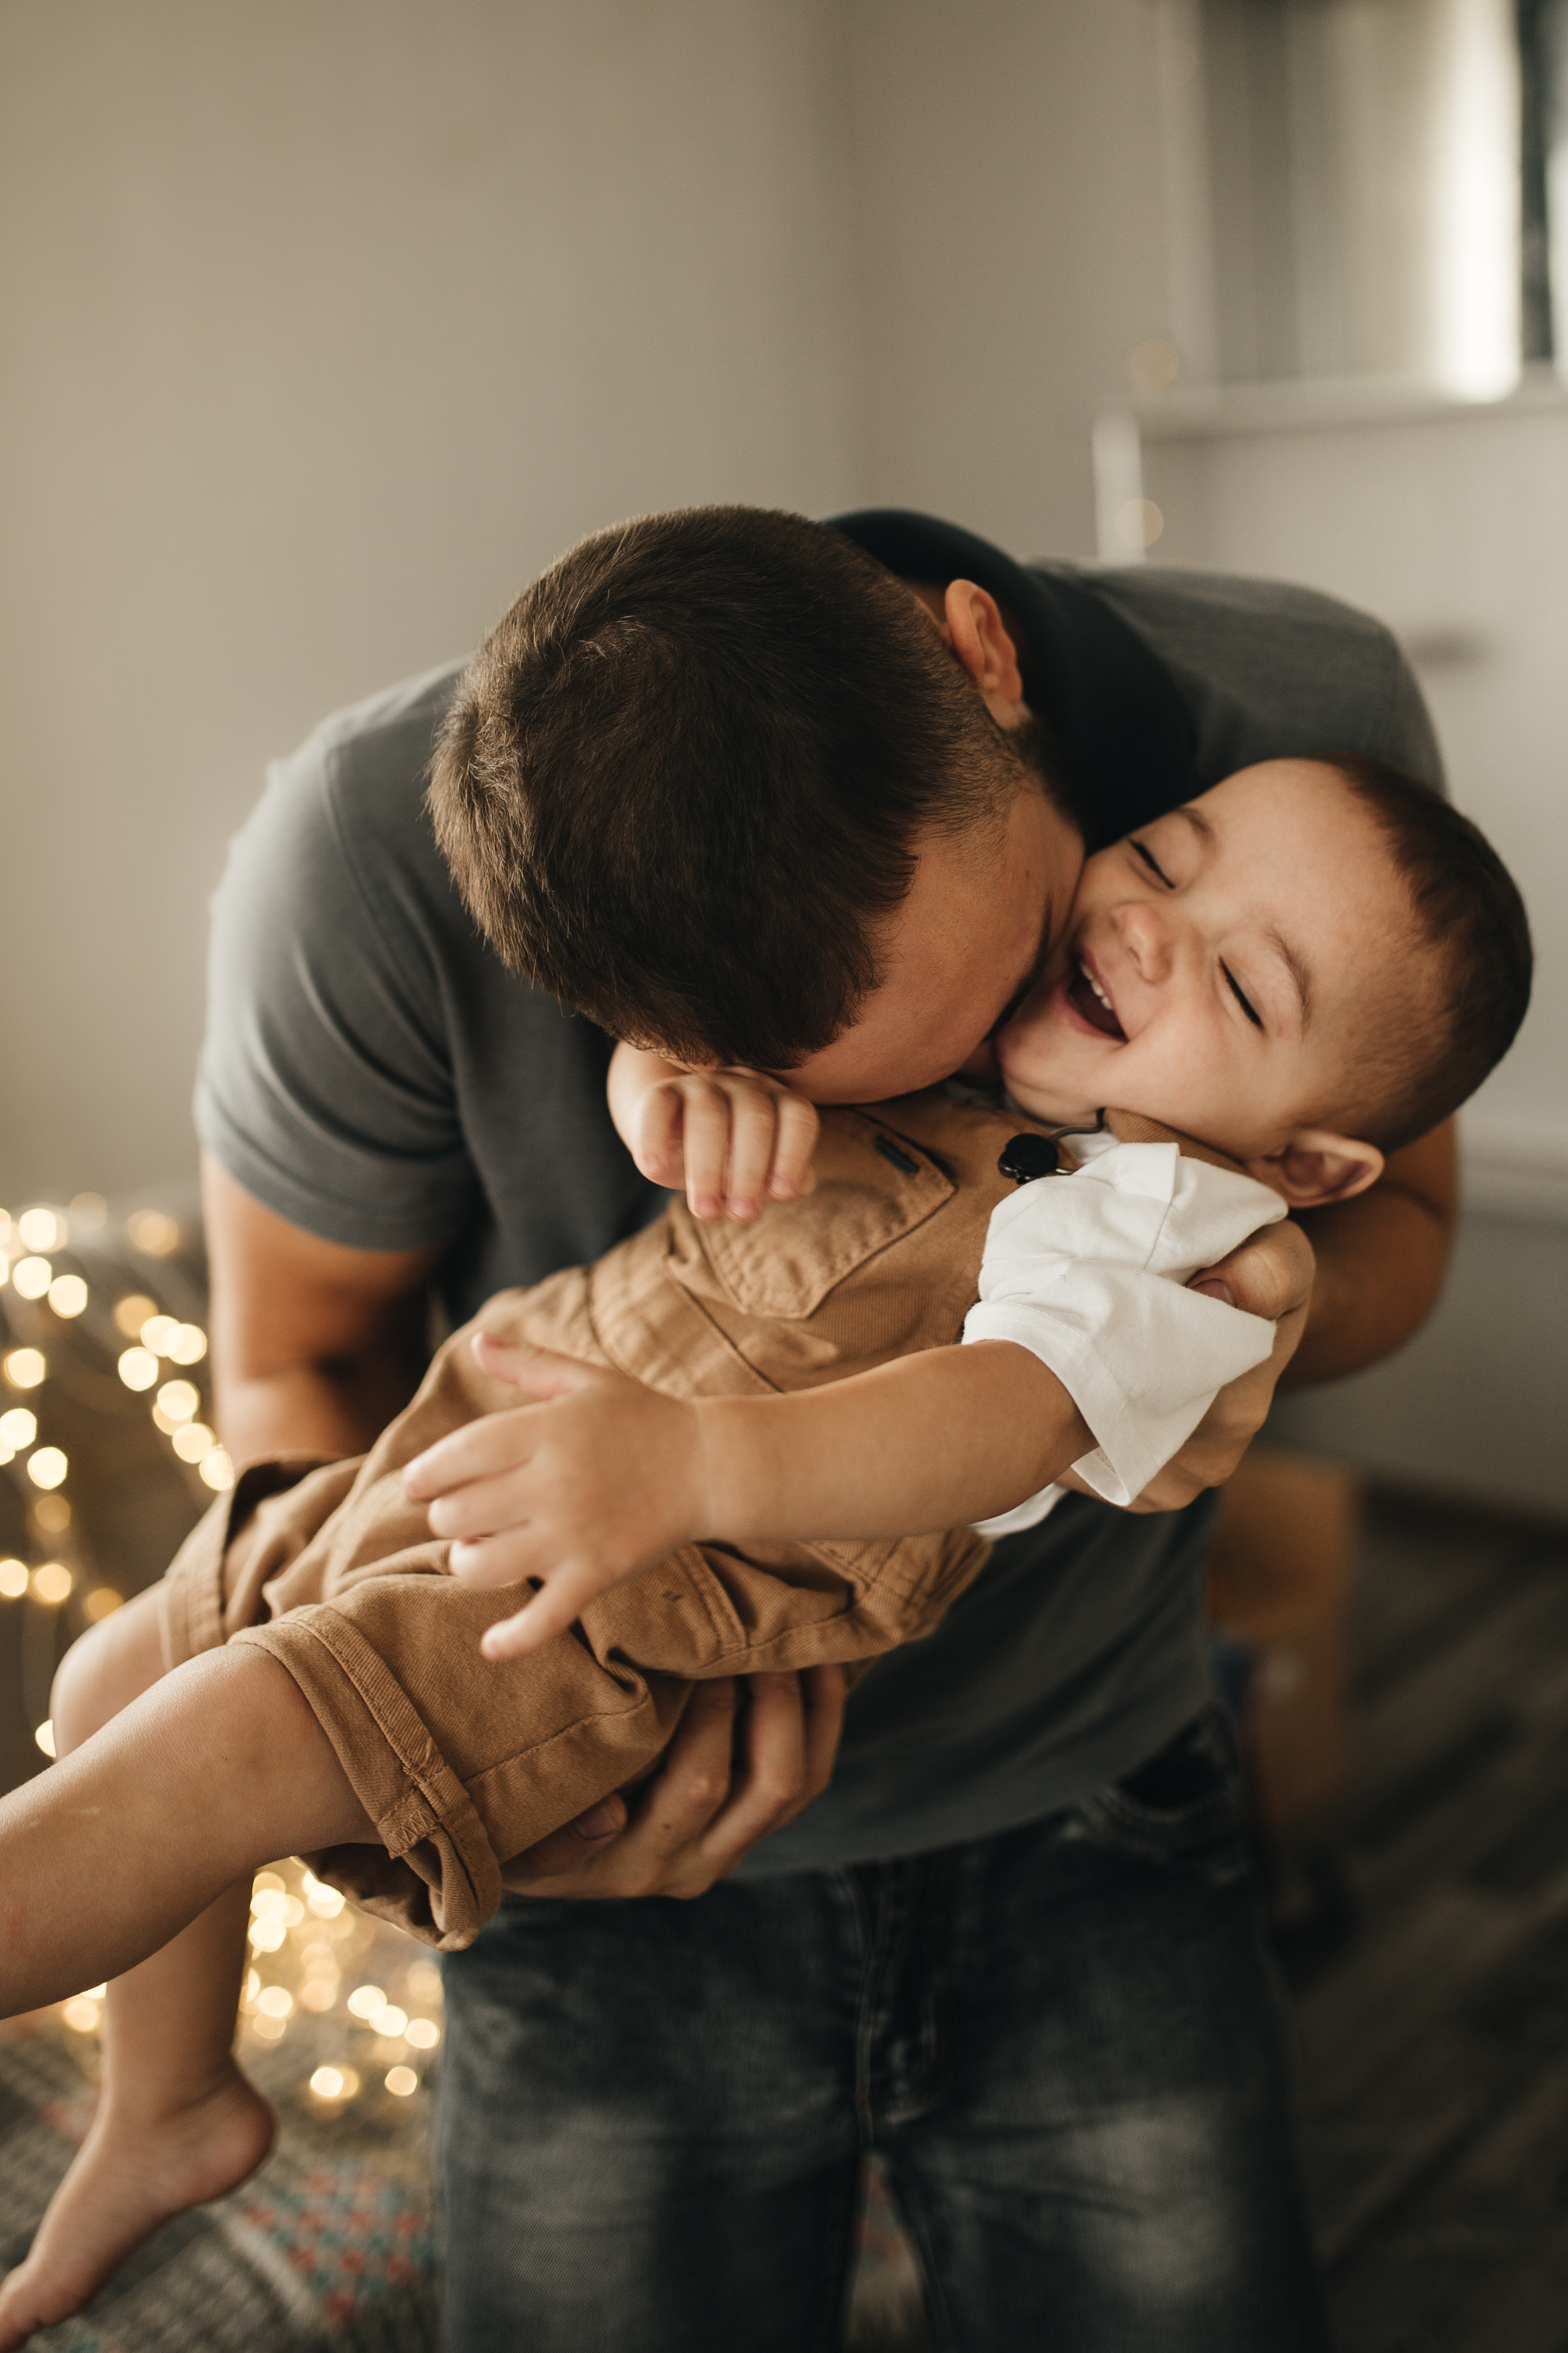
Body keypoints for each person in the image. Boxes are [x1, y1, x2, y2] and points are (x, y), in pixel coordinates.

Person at [44, 504, 1465, 2349]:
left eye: (1018, 959)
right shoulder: (361, 861)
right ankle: (161, 2105)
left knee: (205, 1743)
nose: (1069, 990)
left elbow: (1377, 1233)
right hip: (570, 1761)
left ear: (988, 659)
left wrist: (1263, 1310)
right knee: (104, 1701)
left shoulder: (1294, 750)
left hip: (1084, 1791)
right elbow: (288, 1366)